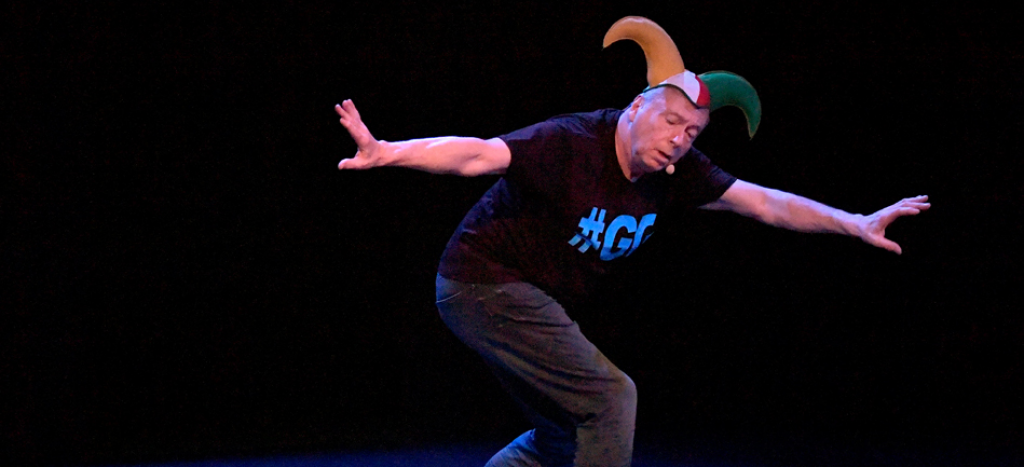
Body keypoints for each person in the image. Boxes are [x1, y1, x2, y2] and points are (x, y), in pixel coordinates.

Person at [334, 16, 929, 467]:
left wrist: (855, 221)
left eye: (692, 132)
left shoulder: (677, 170)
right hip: (483, 283)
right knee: (611, 399)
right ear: (637, 106)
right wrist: (388, 153)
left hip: (527, 296)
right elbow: (477, 155)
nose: (680, 140)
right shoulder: (572, 142)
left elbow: (764, 203)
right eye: (671, 121)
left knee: (568, 429)